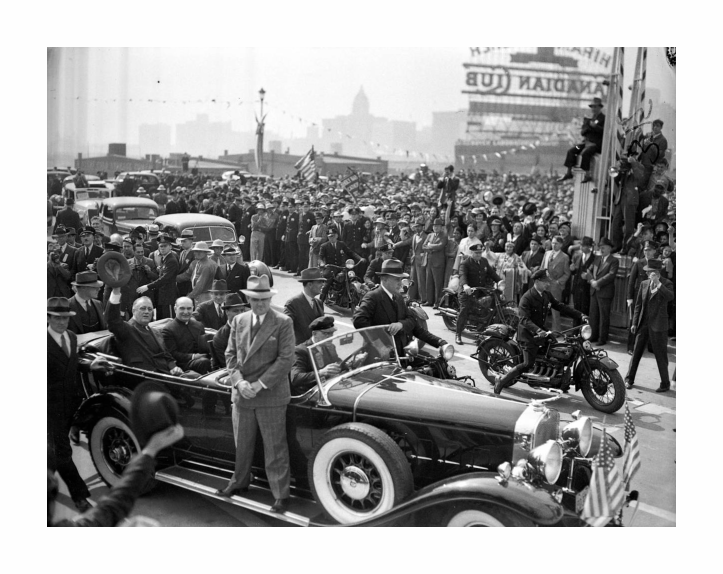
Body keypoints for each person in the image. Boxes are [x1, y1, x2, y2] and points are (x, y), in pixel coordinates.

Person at [217, 275, 295, 514]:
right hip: (243, 394)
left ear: (270, 299)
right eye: (256, 299)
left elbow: (286, 359)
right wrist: (239, 382)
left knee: (275, 447)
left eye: (265, 299)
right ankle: (239, 482)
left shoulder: (283, 322)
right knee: (242, 444)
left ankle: (280, 494)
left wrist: (260, 385)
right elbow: (230, 355)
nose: (260, 304)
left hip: (270, 394)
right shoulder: (238, 320)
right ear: (248, 300)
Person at [48, 297, 113, 513]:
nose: (62, 322)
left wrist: (91, 365)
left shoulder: (71, 337)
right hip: (49, 408)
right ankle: (80, 497)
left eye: (65, 318)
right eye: (57, 318)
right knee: (62, 452)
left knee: (52, 453)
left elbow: (72, 363)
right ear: (47, 318)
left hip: (72, 403)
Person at [493, 270, 585, 395]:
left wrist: (580, 315)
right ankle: (501, 382)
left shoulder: (546, 295)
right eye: (545, 282)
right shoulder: (527, 297)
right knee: (527, 363)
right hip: (528, 335)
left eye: (548, 281)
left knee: (558, 351)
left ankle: (559, 381)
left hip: (541, 332)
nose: (548, 284)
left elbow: (560, 306)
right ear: (537, 281)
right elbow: (524, 319)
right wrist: (538, 330)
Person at [352, 258, 447, 358]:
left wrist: (439, 342)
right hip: (379, 358)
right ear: (384, 279)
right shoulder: (373, 296)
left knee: (435, 364)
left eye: (401, 279)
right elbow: (359, 320)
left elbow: (413, 323)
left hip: (401, 355)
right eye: (397, 279)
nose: (400, 283)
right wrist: (379, 346)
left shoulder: (398, 297)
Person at [106, 287, 184, 375]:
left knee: (193, 376)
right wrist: (116, 292)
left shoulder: (156, 332)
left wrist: (173, 367)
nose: (147, 312)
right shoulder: (127, 329)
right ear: (133, 310)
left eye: (150, 309)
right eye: (143, 308)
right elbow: (113, 320)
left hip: (166, 374)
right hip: (145, 376)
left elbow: (165, 354)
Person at [625, 259, 674, 393]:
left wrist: (658, 284)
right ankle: (629, 379)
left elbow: (670, 297)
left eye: (649, 272)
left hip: (659, 325)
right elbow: (638, 305)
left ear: (656, 273)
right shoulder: (644, 284)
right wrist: (634, 323)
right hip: (643, 324)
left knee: (661, 355)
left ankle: (665, 383)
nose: (647, 274)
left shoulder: (667, 283)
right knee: (636, 352)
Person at [454, 243, 501, 345]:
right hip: (467, 291)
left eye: (480, 252)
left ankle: (482, 333)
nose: (478, 254)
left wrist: (500, 281)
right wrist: (465, 285)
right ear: (471, 253)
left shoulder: (484, 261)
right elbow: (462, 275)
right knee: (464, 309)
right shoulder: (465, 263)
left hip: (480, 290)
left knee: (489, 305)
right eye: (476, 253)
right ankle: (458, 334)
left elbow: (491, 273)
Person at [558, 97, 605, 183]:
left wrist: (595, 127)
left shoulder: (603, 118)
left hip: (595, 144)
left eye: (595, 107)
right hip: (586, 144)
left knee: (585, 153)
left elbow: (604, 132)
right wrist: (588, 127)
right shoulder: (589, 119)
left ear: (599, 107)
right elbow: (583, 132)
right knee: (572, 150)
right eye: (592, 107)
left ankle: (587, 174)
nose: (593, 109)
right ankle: (569, 173)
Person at [290, 315, 341, 394]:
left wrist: (351, 362)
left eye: (331, 333)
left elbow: (337, 362)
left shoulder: (330, 347)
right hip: (309, 393)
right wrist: (320, 373)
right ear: (314, 333)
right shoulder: (301, 351)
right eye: (326, 334)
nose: (330, 337)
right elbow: (296, 378)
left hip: (327, 387)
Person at [162, 297, 213, 374]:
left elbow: (204, 347)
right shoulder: (168, 329)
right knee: (203, 362)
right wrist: (193, 356)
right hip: (183, 365)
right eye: (182, 308)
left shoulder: (199, 325)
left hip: (203, 359)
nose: (186, 312)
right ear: (175, 309)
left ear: (193, 309)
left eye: (189, 309)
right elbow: (172, 354)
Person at [626, 239, 658, 353]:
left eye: (649, 250)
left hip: (653, 296)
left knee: (651, 320)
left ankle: (650, 346)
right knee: (635, 321)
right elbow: (631, 281)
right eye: (645, 250)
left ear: (654, 251)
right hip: (639, 297)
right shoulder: (639, 263)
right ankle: (631, 346)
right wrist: (629, 297)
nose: (646, 252)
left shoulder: (657, 263)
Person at [136, 234, 179, 320]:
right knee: (161, 321)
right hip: (162, 296)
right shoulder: (165, 259)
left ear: (170, 247)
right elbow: (160, 277)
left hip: (168, 296)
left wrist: (148, 286)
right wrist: (150, 272)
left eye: (165, 246)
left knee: (168, 320)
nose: (162, 248)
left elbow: (165, 279)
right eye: (161, 246)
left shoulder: (171, 260)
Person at [586, 237, 619, 346]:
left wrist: (598, 283)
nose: (601, 249)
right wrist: (592, 281)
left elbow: (611, 275)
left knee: (603, 316)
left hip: (605, 292)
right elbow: (589, 270)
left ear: (609, 248)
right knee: (593, 315)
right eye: (600, 247)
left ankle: (602, 338)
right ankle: (593, 336)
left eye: (603, 247)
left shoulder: (614, 260)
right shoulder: (597, 259)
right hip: (594, 291)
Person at [283, 267, 325, 344]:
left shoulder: (319, 303)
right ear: (310, 284)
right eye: (319, 282)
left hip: (317, 347)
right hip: (301, 349)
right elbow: (285, 330)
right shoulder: (293, 304)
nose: (322, 285)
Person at [319, 227, 361, 301]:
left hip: (342, 267)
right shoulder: (324, 246)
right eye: (330, 236)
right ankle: (320, 301)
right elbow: (320, 257)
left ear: (337, 236)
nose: (331, 238)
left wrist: (360, 258)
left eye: (333, 236)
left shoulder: (341, 244)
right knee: (327, 283)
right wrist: (322, 263)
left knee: (350, 277)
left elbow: (350, 252)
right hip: (330, 267)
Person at [541, 235, 571, 331]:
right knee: (542, 307)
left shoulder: (564, 257)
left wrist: (558, 282)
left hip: (555, 286)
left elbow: (567, 273)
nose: (554, 245)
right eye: (553, 243)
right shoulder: (547, 253)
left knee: (555, 310)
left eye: (556, 243)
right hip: (545, 284)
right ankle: (542, 329)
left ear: (561, 245)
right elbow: (542, 267)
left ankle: (556, 331)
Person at [211, 293, 248, 369]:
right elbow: (228, 365)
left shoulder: (251, 328)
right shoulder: (220, 337)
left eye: (242, 310)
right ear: (227, 312)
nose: (240, 314)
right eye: (236, 311)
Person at [422, 217, 448, 307]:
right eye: (434, 226)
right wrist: (431, 247)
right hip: (429, 261)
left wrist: (430, 246)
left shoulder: (444, 235)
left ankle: (437, 302)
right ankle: (429, 300)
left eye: (437, 226)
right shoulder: (430, 235)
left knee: (438, 283)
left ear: (441, 227)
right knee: (429, 282)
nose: (435, 228)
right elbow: (423, 246)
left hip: (438, 262)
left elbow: (440, 246)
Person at [570, 236, 596, 326]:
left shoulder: (595, 258)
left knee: (585, 311)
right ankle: (575, 330)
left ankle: (584, 331)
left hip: (587, 289)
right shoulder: (577, 256)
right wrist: (572, 270)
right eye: (581, 245)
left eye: (583, 245)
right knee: (576, 310)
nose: (581, 247)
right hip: (577, 288)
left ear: (589, 247)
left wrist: (589, 277)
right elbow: (574, 272)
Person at [408, 218, 428, 302]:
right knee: (413, 278)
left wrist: (422, 256)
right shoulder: (414, 236)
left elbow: (426, 249)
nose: (417, 228)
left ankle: (423, 298)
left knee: (421, 280)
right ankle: (411, 297)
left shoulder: (425, 236)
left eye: (419, 226)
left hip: (421, 260)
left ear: (422, 227)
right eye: (416, 226)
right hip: (414, 260)